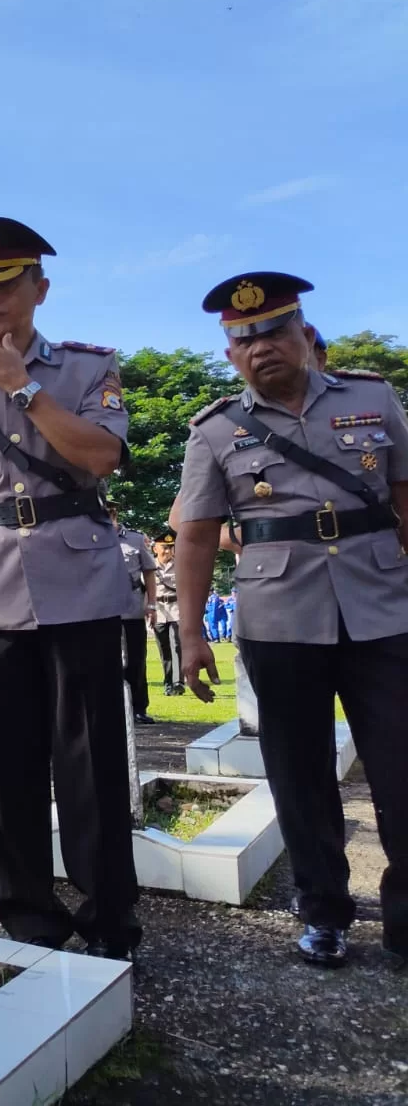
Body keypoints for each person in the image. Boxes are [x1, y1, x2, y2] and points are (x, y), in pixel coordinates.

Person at [0, 217, 140, 960]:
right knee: (6, 769)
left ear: (39, 288)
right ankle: (30, 917)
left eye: (5, 285)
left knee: (91, 762)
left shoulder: (87, 369)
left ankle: (109, 915)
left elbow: (103, 455)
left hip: (80, 584)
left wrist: (27, 389)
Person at [174, 271, 408, 971]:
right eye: (243, 339)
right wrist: (190, 633)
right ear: (229, 354)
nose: (261, 348)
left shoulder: (373, 397)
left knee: (402, 771)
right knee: (300, 778)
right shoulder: (214, 429)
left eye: (274, 331)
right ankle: (325, 913)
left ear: (304, 335)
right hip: (279, 622)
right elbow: (193, 534)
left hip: (384, 611)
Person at [108, 503, 158, 723]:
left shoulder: (136, 540)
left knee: (136, 658)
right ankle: (114, 708)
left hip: (131, 606)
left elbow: (149, 572)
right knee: (107, 661)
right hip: (103, 609)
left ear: (114, 515)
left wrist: (152, 604)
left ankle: (138, 708)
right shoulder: (92, 538)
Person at [152, 532, 185, 695]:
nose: (168, 551)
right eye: (164, 547)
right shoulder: (150, 565)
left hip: (177, 609)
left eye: (171, 547)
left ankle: (179, 681)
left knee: (178, 645)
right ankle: (168, 682)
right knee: (164, 649)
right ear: (155, 548)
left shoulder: (181, 564)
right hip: (159, 610)